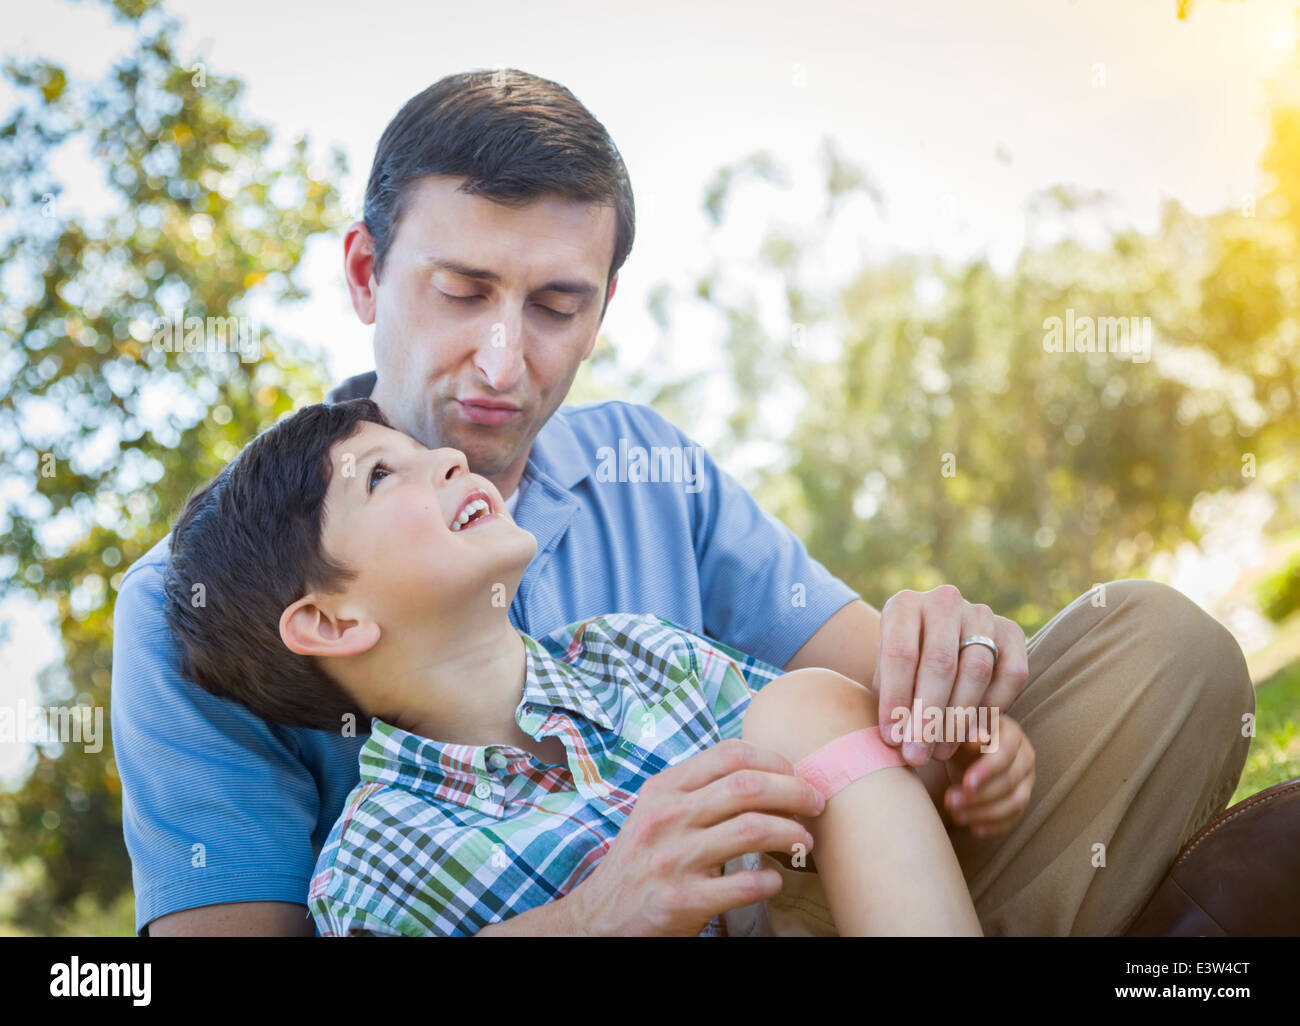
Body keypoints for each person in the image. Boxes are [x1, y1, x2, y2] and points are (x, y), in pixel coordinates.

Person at [111, 67, 1254, 937]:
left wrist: (953, 703)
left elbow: (868, 708)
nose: (503, 362)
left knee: (1154, 645)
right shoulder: (198, 601)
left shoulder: (647, 471)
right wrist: (594, 914)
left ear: (605, 306)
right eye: (462, 292)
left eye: (557, 305)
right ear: (365, 272)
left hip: (830, 892)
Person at [162, 398, 996, 936]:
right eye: (383, 475)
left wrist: (957, 753)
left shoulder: (642, 654)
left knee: (809, 705)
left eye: (423, 451)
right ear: (331, 620)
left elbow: (863, 790)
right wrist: (585, 921)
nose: (449, 458)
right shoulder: (373, 860)